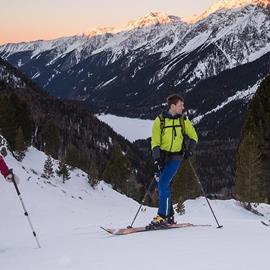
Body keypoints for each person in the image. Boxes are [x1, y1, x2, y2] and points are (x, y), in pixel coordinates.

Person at [150, 94, 198, 227]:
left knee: (163, 184)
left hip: (175, 158)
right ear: (172, 106)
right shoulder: (159, 121)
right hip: (162, 158)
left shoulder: (183, 121)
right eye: (180, 105)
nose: (183, 107)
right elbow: (155, 142)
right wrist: (156, 160)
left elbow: (194, 136)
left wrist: (190, 150)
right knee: (164, 187)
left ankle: (162, 216)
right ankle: (169, 216)